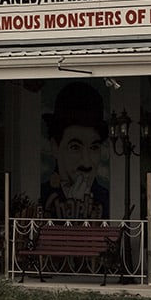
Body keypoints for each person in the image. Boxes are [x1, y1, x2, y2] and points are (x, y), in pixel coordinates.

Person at [41, 82, 110, 220]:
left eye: (94, 147)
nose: (86, 162)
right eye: (75, 147)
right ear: (55, 146)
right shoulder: (43, 195)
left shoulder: (106, 198)